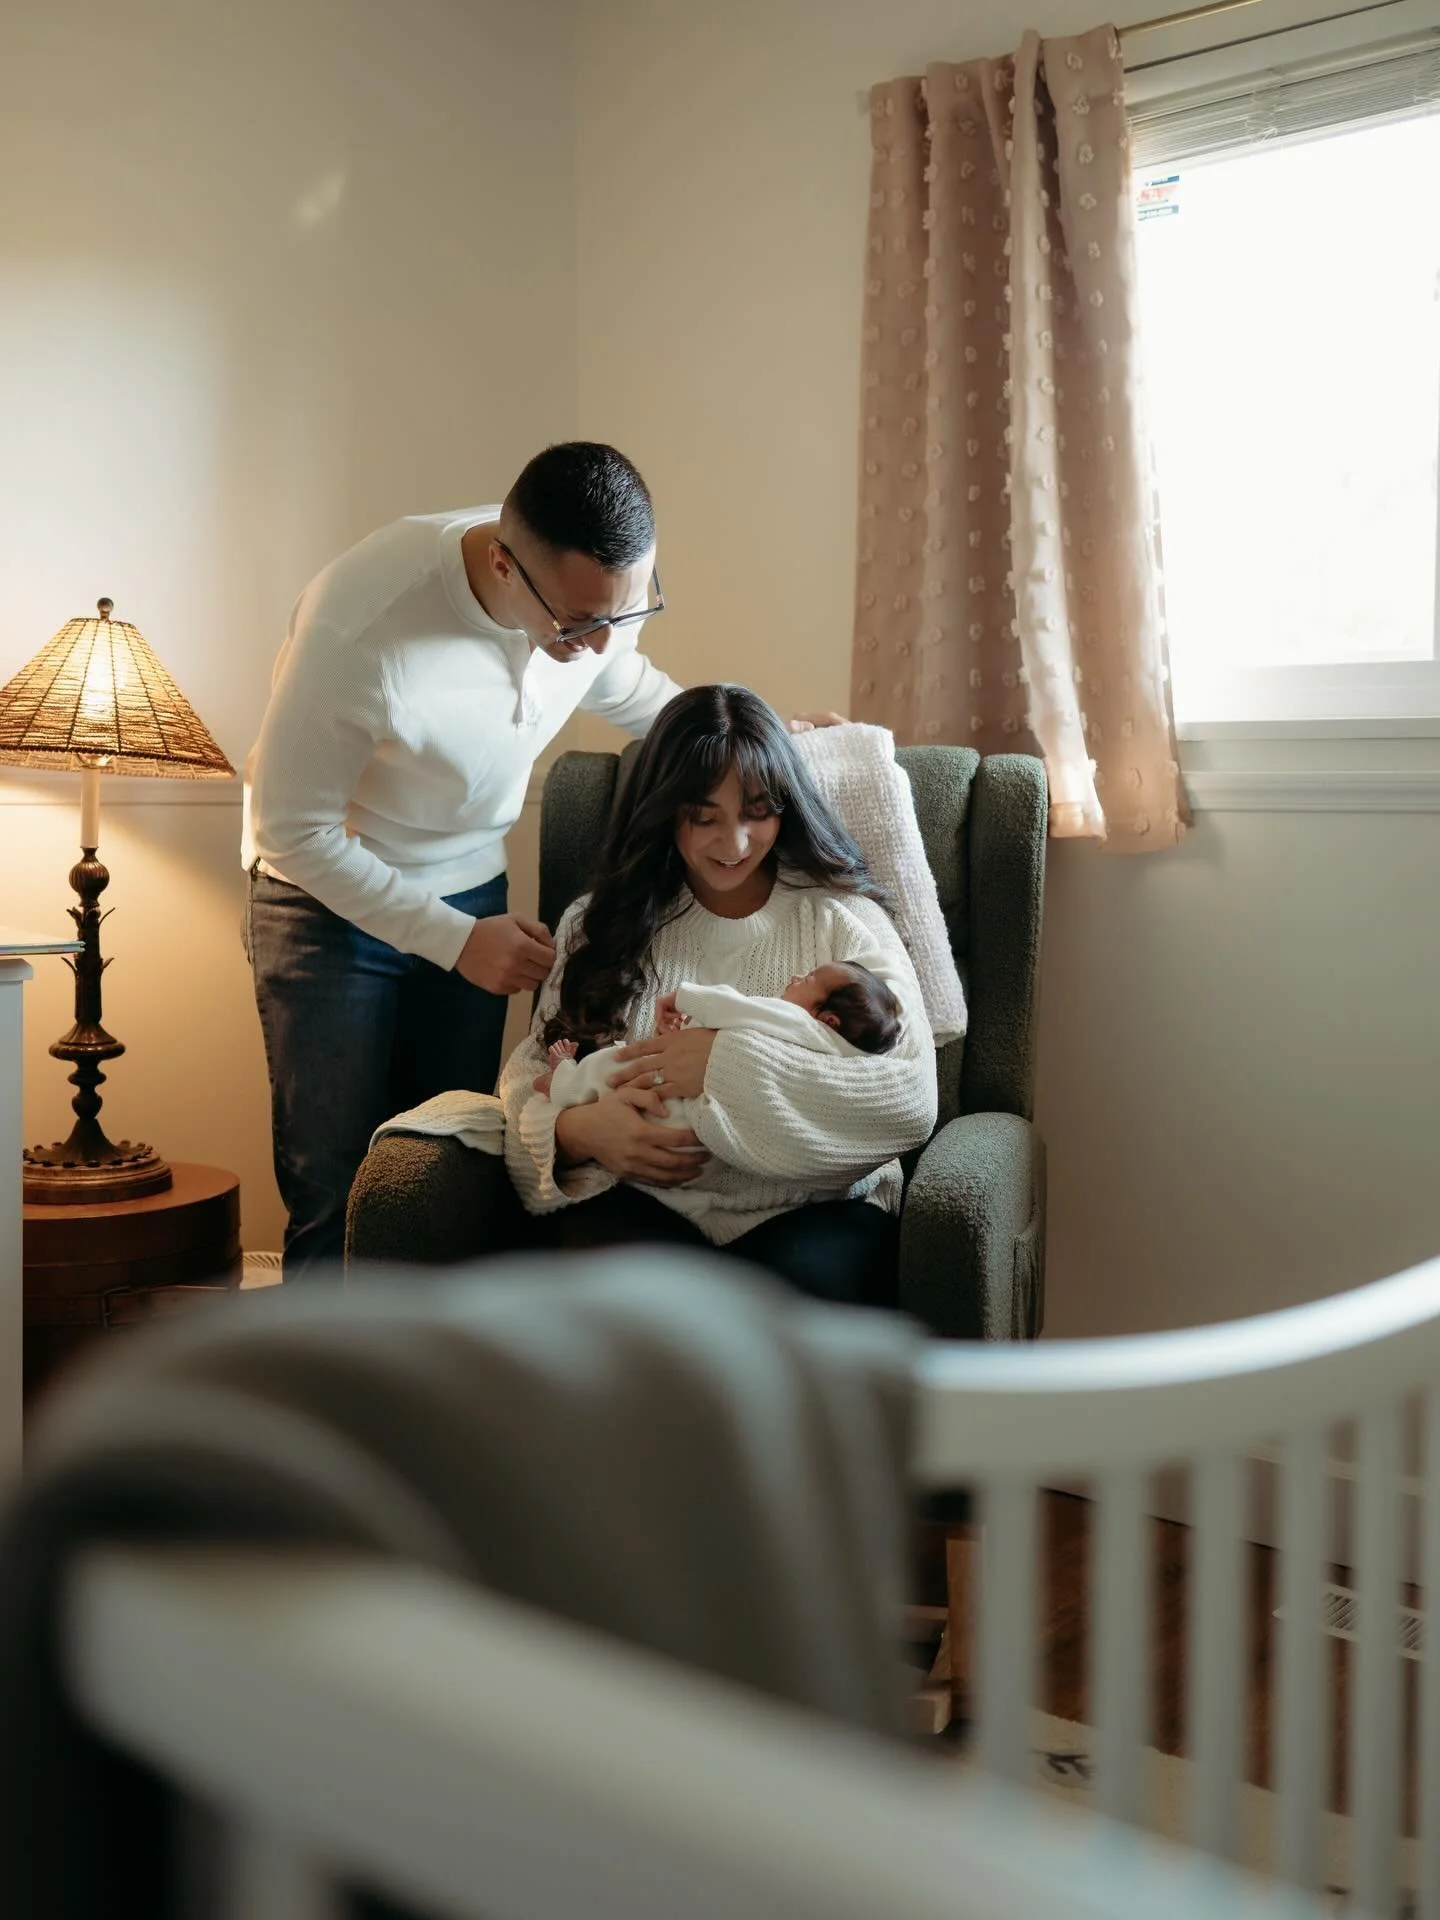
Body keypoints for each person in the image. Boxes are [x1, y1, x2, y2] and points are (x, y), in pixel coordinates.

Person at [243, 443, 841, 1280]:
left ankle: (439, 1400)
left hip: (474, 894)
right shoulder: (360, 627)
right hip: (326, 904)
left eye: (623, 615)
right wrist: (453, 941)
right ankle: (325, 1403)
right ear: (501, 565)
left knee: (445, 1167)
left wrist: (765, 741)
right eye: (577, 624)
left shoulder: (588, 614)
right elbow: (290, 831)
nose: (599, 641)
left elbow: (637, 694)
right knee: (335, 1188)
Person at [499, 685, 937, 1308]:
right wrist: (575, 1133)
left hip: (813, 1216)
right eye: (703, 817)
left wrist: (721, 1066)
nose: (733, 844)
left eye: (757, 812)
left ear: (786, 807)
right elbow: (527, 1077)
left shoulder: (845, 922)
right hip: (640, 1209)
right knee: (614, 1308)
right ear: (661, 811)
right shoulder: (595, 925)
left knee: (786, 1313)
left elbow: (909, 1102)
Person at [535, 962, 903, 1101]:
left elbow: (736, 1007)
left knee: (612, 1067)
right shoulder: (839, 1054)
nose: (795, 977)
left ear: (828, 1020)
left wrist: (685, 997)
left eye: (807, 979)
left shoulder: (799, 1023)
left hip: (671, 1093)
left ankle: (562, 1079)